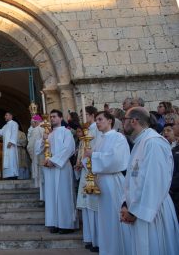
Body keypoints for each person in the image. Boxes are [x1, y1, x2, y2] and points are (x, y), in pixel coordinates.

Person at [121, 107, 179, 254]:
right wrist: (125, 204)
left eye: (124, 120)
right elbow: (132, 178)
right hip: (138, 207)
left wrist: (134, 212)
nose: (122, 124)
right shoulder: (140, 142)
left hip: (152, 209)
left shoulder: (153, 143)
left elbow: (154, 182)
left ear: (134, 121)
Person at [84, 111, 131, 255]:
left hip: (113, 181)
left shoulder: (118, 137)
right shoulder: (99, 139)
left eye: (100, 119)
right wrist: (87, 160)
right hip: (101, 181)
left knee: (114, 217)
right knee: (105, 219)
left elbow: (116, 160)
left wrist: (93, 155)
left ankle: (120, 249)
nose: (97, 122)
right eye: (96, 119)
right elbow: (92, 161)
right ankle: (108, 249)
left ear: (110, 121)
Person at [35, 109, 77, 234]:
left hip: (62, 167)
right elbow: (38, 150)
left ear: (60, 118)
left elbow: (69, 149)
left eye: (54, 116)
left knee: (64, 195)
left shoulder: (66, 132)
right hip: (50, 169)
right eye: (50, 116)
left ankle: (66, 224)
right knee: (52, 195)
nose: (52, 119)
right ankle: (54, 222)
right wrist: (43, 139)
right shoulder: (49, 133)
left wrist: (54, 160)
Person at [75, 106, 100, 252]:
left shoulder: (95, 129)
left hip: (92, 171)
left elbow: (94, 150)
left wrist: (85, 162)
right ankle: (90, 238)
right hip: (85, 170)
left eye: (83, 114)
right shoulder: (88, 130)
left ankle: (97, 239)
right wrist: (79, 162)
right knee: (86, 206)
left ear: (91, 115)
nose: (81, 117)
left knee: (93, 206)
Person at [0, 112, 19, 179]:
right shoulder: (5, 126)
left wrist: (11, 141)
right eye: (5, 115)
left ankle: (13, 175)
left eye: (6, 115)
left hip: (11, 146)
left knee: (11, 159)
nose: (5, 117)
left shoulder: (14, 124)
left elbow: (14, 132)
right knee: (7, 160)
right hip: (6, 147)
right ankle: (7, 175)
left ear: (11, 116)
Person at [27, 115, 44, 200]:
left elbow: (30, 146)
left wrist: (32, 156)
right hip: (45, 157)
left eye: (32, 123)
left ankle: (42, 198)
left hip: (38, 157)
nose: (31, 125)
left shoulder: (36, 130)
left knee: (40, 178)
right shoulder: (45, 128)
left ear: (36, 122)